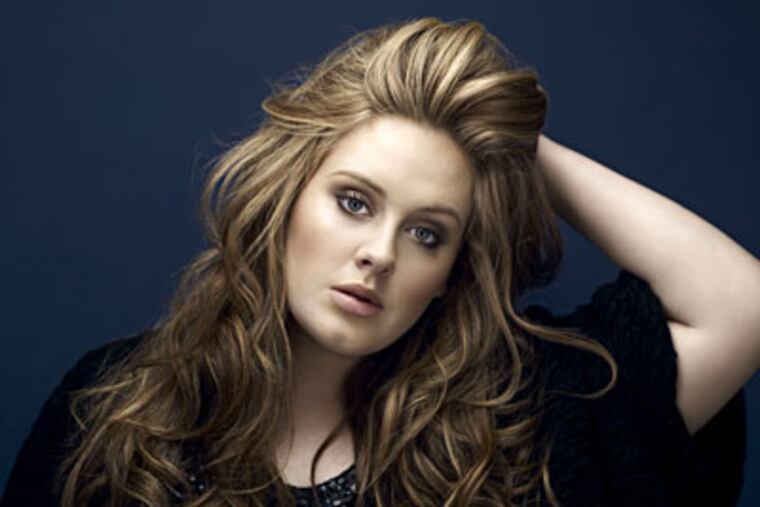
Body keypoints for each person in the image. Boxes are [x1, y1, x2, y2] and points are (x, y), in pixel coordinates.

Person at [2, 16, 756, 507]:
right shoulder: (116, 407)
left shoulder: (516, 426)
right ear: (287, 196)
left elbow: (740, 305)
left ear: (452, 274)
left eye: (428, 233)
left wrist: (508, 141)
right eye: (355, 202)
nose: (378, 254)